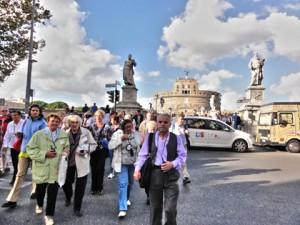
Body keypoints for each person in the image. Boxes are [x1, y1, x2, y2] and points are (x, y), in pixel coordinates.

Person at [134, 114, 187, 225]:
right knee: (155, 208)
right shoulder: (150, 137)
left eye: (165, 122)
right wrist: (137, 169)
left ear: (169, 124)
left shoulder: (175, 138)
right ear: (157, 123)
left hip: (171, 175)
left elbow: (182, 156)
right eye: (160, 122)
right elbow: (143, 155)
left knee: (170, 209)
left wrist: (173, 164)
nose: (162, 124)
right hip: (155, 174)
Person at [26, 114, 69, 225]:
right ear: (47, 121)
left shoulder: (64, 135)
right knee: (40, 191)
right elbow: (30, 149)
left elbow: (66, 147)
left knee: (52, 193)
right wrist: (44, 154)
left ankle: (49, 215)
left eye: (56, 121)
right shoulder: (38, 135)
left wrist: (66, 152)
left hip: (56, 169)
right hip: (42, 168)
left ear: (59, 123)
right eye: (52, 121)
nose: (54, 123)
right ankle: (39, 204)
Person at [2, 104, 47, 209]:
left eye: (37, 110)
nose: (35, 112)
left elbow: (44, 138)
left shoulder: (43, 123)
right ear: (30, 111)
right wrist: (20, 135)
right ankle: (12, 199)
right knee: (19, 174)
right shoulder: (26, 121)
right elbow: (22, 133)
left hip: (36, 152)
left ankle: (35, 191)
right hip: (24, 151)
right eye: (33, 110)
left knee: (36, 173)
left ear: (39, 112)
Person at [63, 115, 96, 217]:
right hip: (69, 163)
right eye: (72, 122)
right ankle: (68, 197)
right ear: (69, 123)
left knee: (80, 187)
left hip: (82, 162)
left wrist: (86, 150)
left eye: (76, 122)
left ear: (80, 123)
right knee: (66, 183)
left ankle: (77, 208)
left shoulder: (86, 132)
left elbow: (94, 145)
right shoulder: (65, 133)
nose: (74, 124)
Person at [109, 119, 140, 218]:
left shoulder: (135, 134)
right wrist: (120, 139)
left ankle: (126, 198)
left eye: (130, 126)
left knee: (130, 183)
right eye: (127, 127)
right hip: (121, 163)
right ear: (123, 127)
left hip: (132, 163)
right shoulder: (117, 134)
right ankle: (122, 208)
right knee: (123, 184)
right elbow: (110, 146)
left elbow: (139, 147)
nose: (129, 129)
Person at [88, 109, 110, 195]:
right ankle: (93, 188)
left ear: (103, 117)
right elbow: (87, 138)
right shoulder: (91, 126)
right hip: (93, 149)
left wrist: (106, 141)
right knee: (93, 169)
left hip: (102, 149)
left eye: (100, 116)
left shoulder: (107, 127)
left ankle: (100, 187)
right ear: (95, 117)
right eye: (97, 116)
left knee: (100, 168)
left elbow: (110, 138)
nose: (98, 118)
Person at [2, 111, 24, 185]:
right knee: (15, 164)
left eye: (15, 115)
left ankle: (17, 179)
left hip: (22, 147)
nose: (14, 117)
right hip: (13, 147)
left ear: (20, 116)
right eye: (12, 115)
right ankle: (15, 178)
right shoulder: (10, 124)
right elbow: (7, 135)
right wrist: (5, 145)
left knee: (20, 164)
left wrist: (21, 135)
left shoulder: (24, 123)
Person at [170, 114, 191, 185]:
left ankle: (185, 177)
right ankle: (171, 177)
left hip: (183, 146)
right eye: (181, 119)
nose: (182, 121)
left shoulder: (184, 126)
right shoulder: (173, 127)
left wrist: (187, 133)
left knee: (184, 162)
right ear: (177, 120)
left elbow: (187, 135)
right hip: (175, 147)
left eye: (183, 119)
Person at [107, 115, 121, 179]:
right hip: (112, 145)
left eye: (112, 120)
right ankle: (112, 172)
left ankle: (115, 171)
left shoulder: (120, 128)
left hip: (117, 145)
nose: (110, 121)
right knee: (112, 158)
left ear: (115, 121)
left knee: (116, 158)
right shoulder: (111, 127)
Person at [0, 107, 12, 175]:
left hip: (7, 139)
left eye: (6, 111)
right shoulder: (0, 119)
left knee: (4, 153)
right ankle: (6, 166)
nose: (4, 112)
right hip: (0, 138)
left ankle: (3, 169)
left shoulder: (10, 119)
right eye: (3, 111)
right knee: (3, 154)